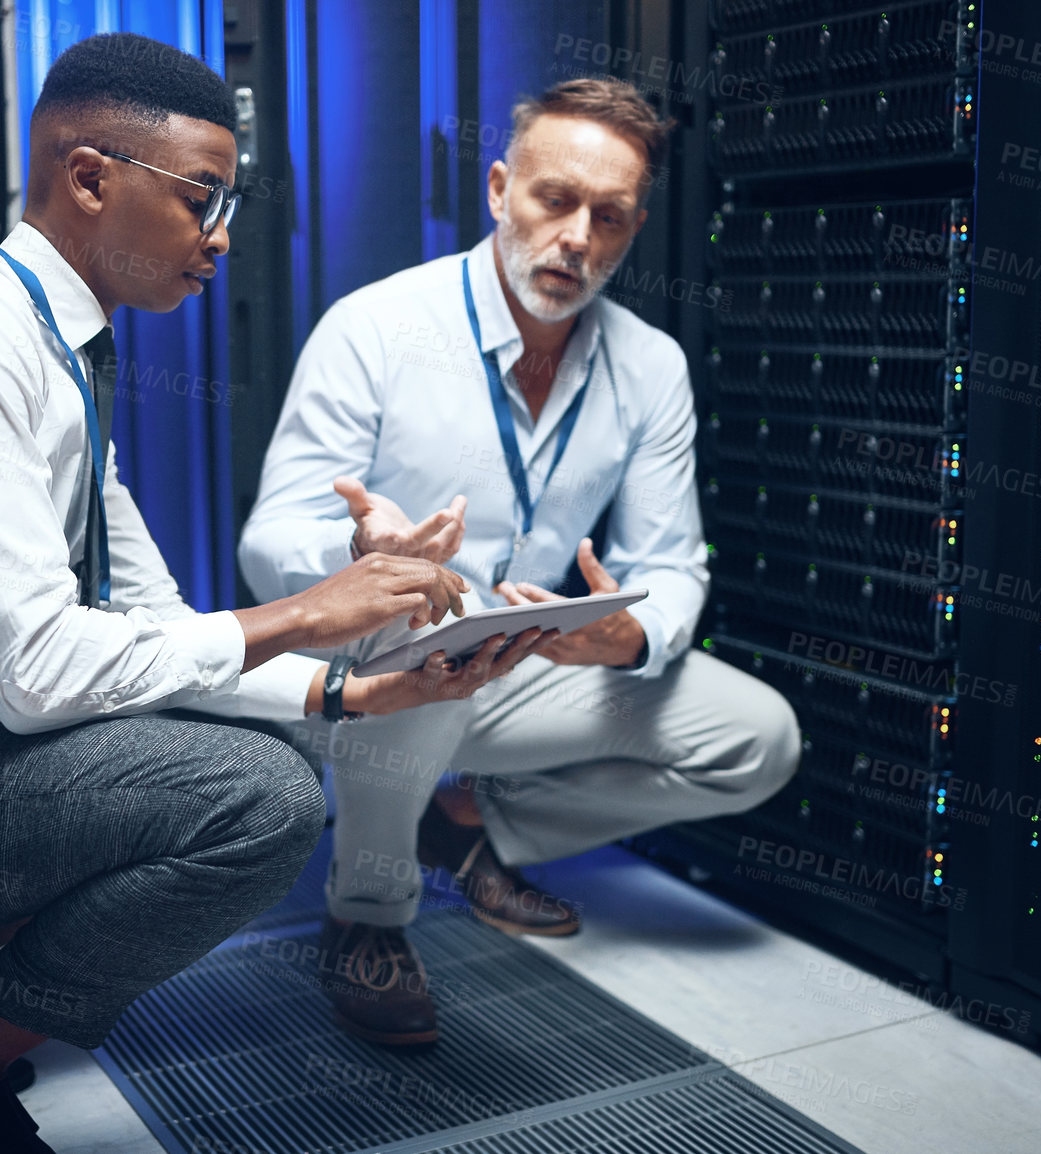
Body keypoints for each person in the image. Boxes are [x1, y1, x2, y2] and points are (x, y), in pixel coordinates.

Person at [0, 33, 548, 1154]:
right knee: (255, 799)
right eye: (202, 199)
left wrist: (358, 690)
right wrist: (311, 610)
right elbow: (33, 676)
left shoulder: (63, 361)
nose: (221, 238)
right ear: (88, 178)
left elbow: (155, 635)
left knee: (230, 729)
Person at [239, 77, 802, 1047]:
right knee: (410, 614)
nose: (577, 237)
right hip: (368, 676)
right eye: (554, 199)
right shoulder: (376, 327)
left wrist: (628, 633)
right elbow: (269, 537)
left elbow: (671, 562)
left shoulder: (650, 366)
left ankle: (471, 827)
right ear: (499, 187)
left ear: (630, 228)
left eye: (610, 215)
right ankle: (367, 916)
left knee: (761, 739)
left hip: (534, 669)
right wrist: (362, 555)